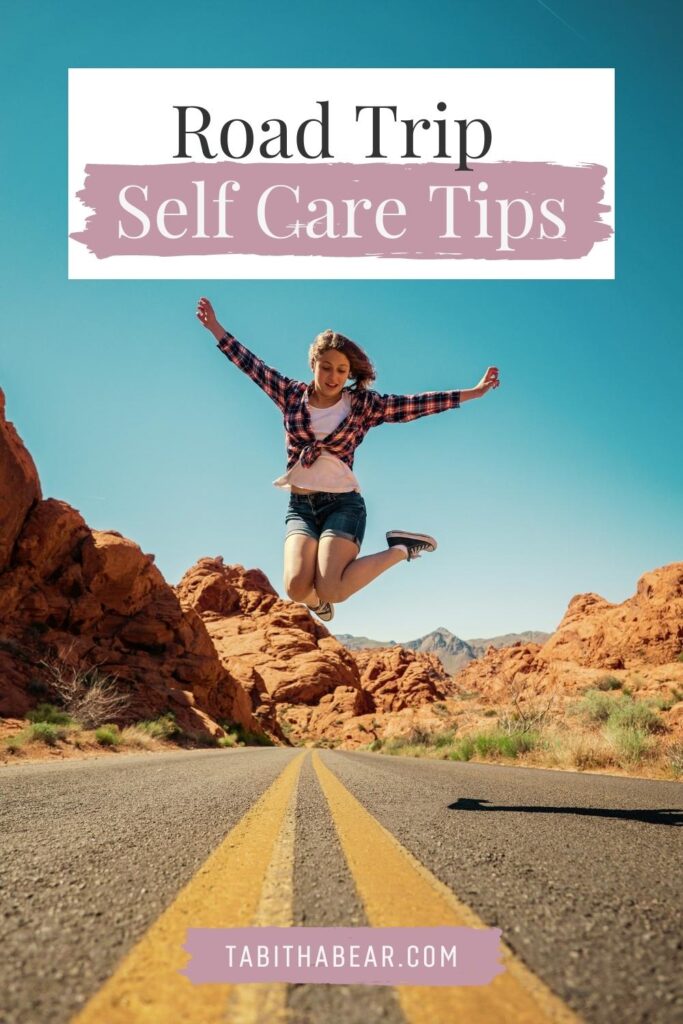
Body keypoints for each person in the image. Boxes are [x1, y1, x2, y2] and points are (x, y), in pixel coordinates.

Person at [197, 297, 500, 623]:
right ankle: (319, 603)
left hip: (343, 506)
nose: (333, 376)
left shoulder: (362, 405)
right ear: (313, 364)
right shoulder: (290, 395)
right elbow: (252, 366)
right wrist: (215, 327)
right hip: (300, 507)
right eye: (326, 367)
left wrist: (472, 392)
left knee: (334, 589)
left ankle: (401, 549)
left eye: (342, 370)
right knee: (297, 589)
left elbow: (416, 404)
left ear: (349, 373)